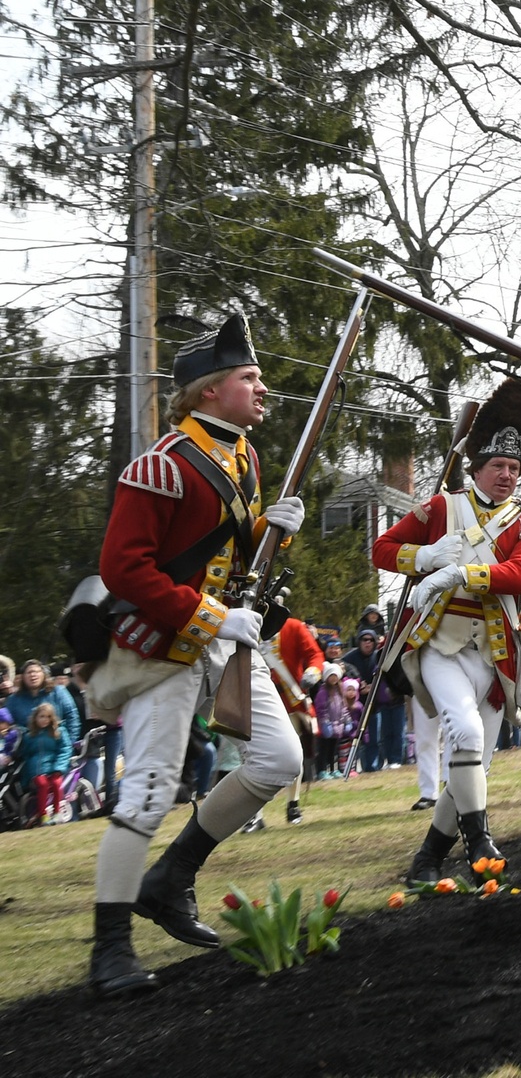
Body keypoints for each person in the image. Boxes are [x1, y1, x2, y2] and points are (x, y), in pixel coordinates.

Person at [82, 313, 306, 998]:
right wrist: (211, 617)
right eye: (250, 377)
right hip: (166, 645)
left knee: (280, 760)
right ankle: (110, 949)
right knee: (148, 791)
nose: (263, 388)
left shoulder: (245, 457)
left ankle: (172, 878)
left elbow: (233, 551)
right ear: (210, 390)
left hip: (223, 640)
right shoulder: (161, 466)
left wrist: (274, 533)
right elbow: (125, 569)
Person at [371, 377, 521, 881]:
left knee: (476, 765)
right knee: (466, 736)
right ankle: (480, 842)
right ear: (477, 467)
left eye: (515, 468)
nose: (508, 476)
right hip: (440, 645)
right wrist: (424, 555)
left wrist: (458, 573)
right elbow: (381, 549)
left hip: (494, 654)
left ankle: (426, 859)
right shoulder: (441, 508)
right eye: (499, 466)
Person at [261, 612, 325, 822]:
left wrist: (313, 672)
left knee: (293, 752)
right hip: (259, 700)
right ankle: (255, 815)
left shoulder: (293, 627)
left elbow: (315, 655)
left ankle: (292, 804)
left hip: (291, 701)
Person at [20, 701, 72, 825]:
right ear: (35, 718)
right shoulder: (30, 736)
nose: (45, 720)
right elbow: (26, 755)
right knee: (42, 784)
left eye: (48, 717)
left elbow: (65, 749)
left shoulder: (59, 732)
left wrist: (59, 767)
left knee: (56, 782)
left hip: (55, 765)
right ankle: (43, 816)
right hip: (37, 769)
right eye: (41, 716)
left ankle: (57, 812)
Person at [6, 659, 81, 745]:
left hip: (59, 747)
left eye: (36, 672)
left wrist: (70, 743)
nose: (33, 675)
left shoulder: (58, 692)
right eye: (29, 672)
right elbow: (8, 726)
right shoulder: (14, 699)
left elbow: (72, 717)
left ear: (44, 675)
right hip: (28, 751)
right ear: (22, 677)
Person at [342, 629, 384, 771]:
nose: (367, 643)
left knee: (373, 739)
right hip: (354, 707)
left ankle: (372, 767)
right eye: (364, 639)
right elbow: (343, 674)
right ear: (359, 641)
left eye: (371, 640)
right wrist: (358, 686)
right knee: (355, 739)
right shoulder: (349, 658)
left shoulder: (379, 656)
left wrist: (373, 687)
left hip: (374, 705)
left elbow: (385, 676)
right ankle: (352, 768)